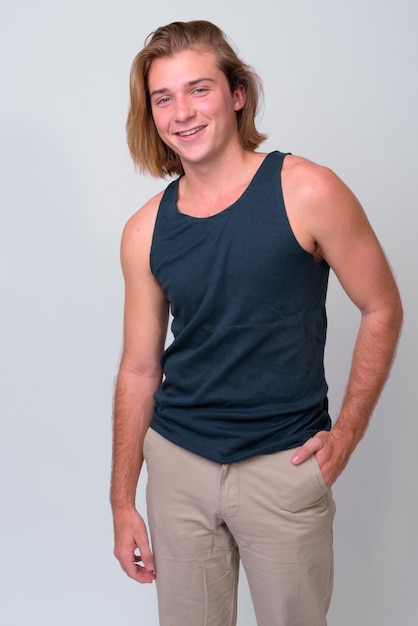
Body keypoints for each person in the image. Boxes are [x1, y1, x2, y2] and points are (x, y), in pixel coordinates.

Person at [110, 20, 403, 626]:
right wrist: (121, 501)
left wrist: (345, 437)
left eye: (199, 90)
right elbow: (139, 371)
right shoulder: (145, 230)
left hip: (284, 465)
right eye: (163, 97)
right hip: (178, 465)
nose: (182, 112)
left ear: (237, 94)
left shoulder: (307, 190)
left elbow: (382, 308)